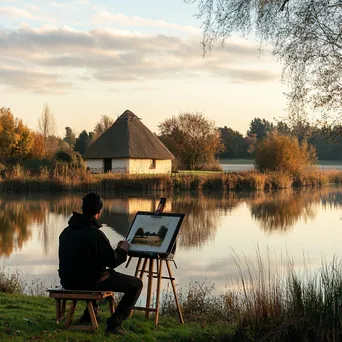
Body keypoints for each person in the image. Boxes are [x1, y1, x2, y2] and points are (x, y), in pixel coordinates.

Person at [58, 192, 143, 335]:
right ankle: (114, 324)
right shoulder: (95, 234)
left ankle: (88, 315)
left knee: (90, 270)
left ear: (83, 209)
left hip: (68, 281)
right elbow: (112, 262)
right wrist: (122, 250)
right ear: (98, 212)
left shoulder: (66, 232)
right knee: (136, 285)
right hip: (88, 282)